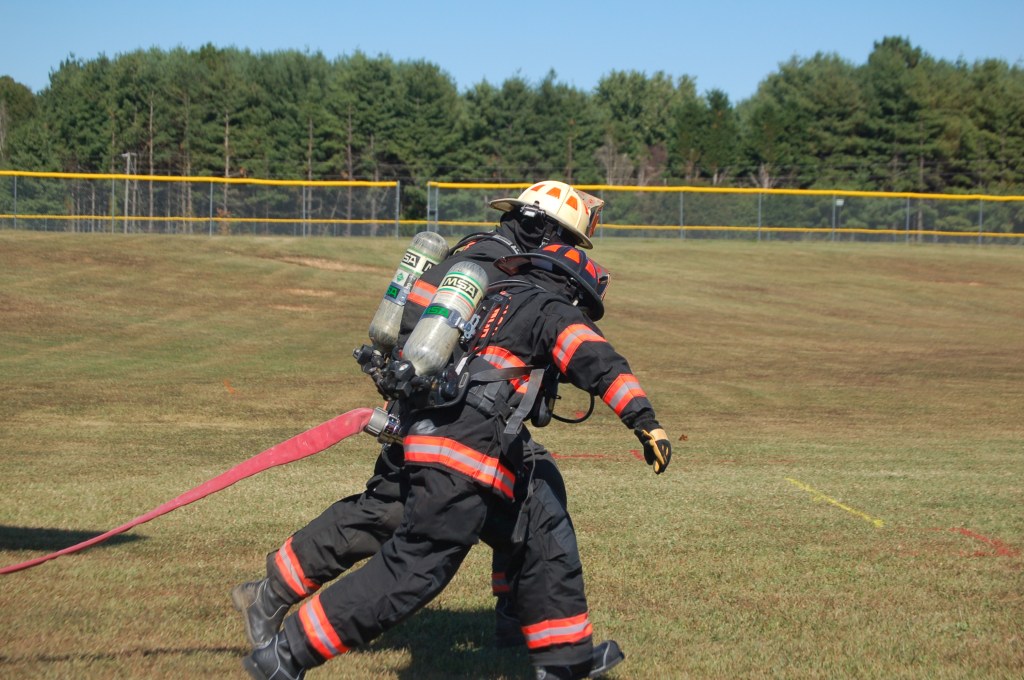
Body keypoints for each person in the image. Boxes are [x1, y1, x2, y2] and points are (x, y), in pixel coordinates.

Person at [240, 236, 673, 679]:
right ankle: (286, 655)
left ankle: (564, 661)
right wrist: (646, 422)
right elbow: (597, 360)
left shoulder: (485, 297)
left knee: (542, 521)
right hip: (466, 451)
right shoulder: (552, 308)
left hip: (444, 435)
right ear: (574, 289)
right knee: (415, 567)